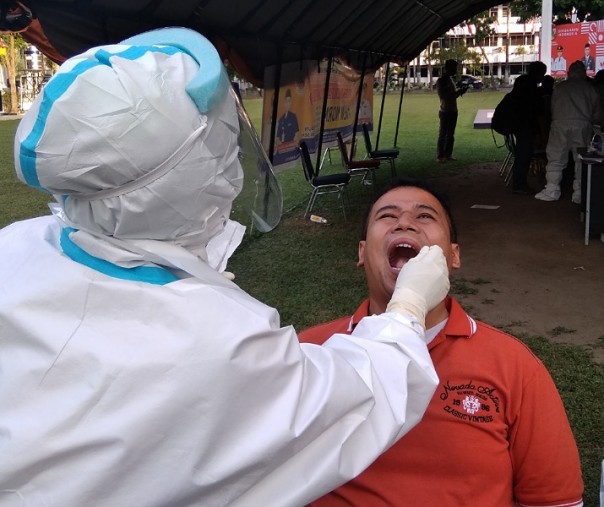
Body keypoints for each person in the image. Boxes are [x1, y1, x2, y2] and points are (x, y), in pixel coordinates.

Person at [0, 28, 452, 507]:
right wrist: (407, 309)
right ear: (192, 181)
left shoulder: (19, 246)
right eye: (225, 146)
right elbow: (360, 401)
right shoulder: (213, 343)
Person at [300, 178, 585, 507]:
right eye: (387, 216)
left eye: (424, 216)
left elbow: (555, 500)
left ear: (453, 256)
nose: (405, 222)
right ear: (362, 252)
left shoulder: (513, 365)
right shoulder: (310, 353)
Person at [535, 61, 601, 203]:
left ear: (569, 72)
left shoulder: (560, 87)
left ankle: (552, 189)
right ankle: (579, 192)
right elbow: (597, 113)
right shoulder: (589, 88)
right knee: (580, 159)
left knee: (556, 157)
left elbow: (553, 107)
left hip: (560, 123)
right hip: (582, 125)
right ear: (584, 73)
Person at [435, 59, 466, 162]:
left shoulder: (450, 80)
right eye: (454, 68)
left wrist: (459, 92)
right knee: (443, 134)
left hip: (453, 110)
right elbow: (444, 96)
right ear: (447, 68)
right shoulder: (441, 81)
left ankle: (448, 155)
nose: (455, 70)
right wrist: (458, 93)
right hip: (445, 111)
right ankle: (440, 156)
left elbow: (452, 95)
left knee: (450, 135)